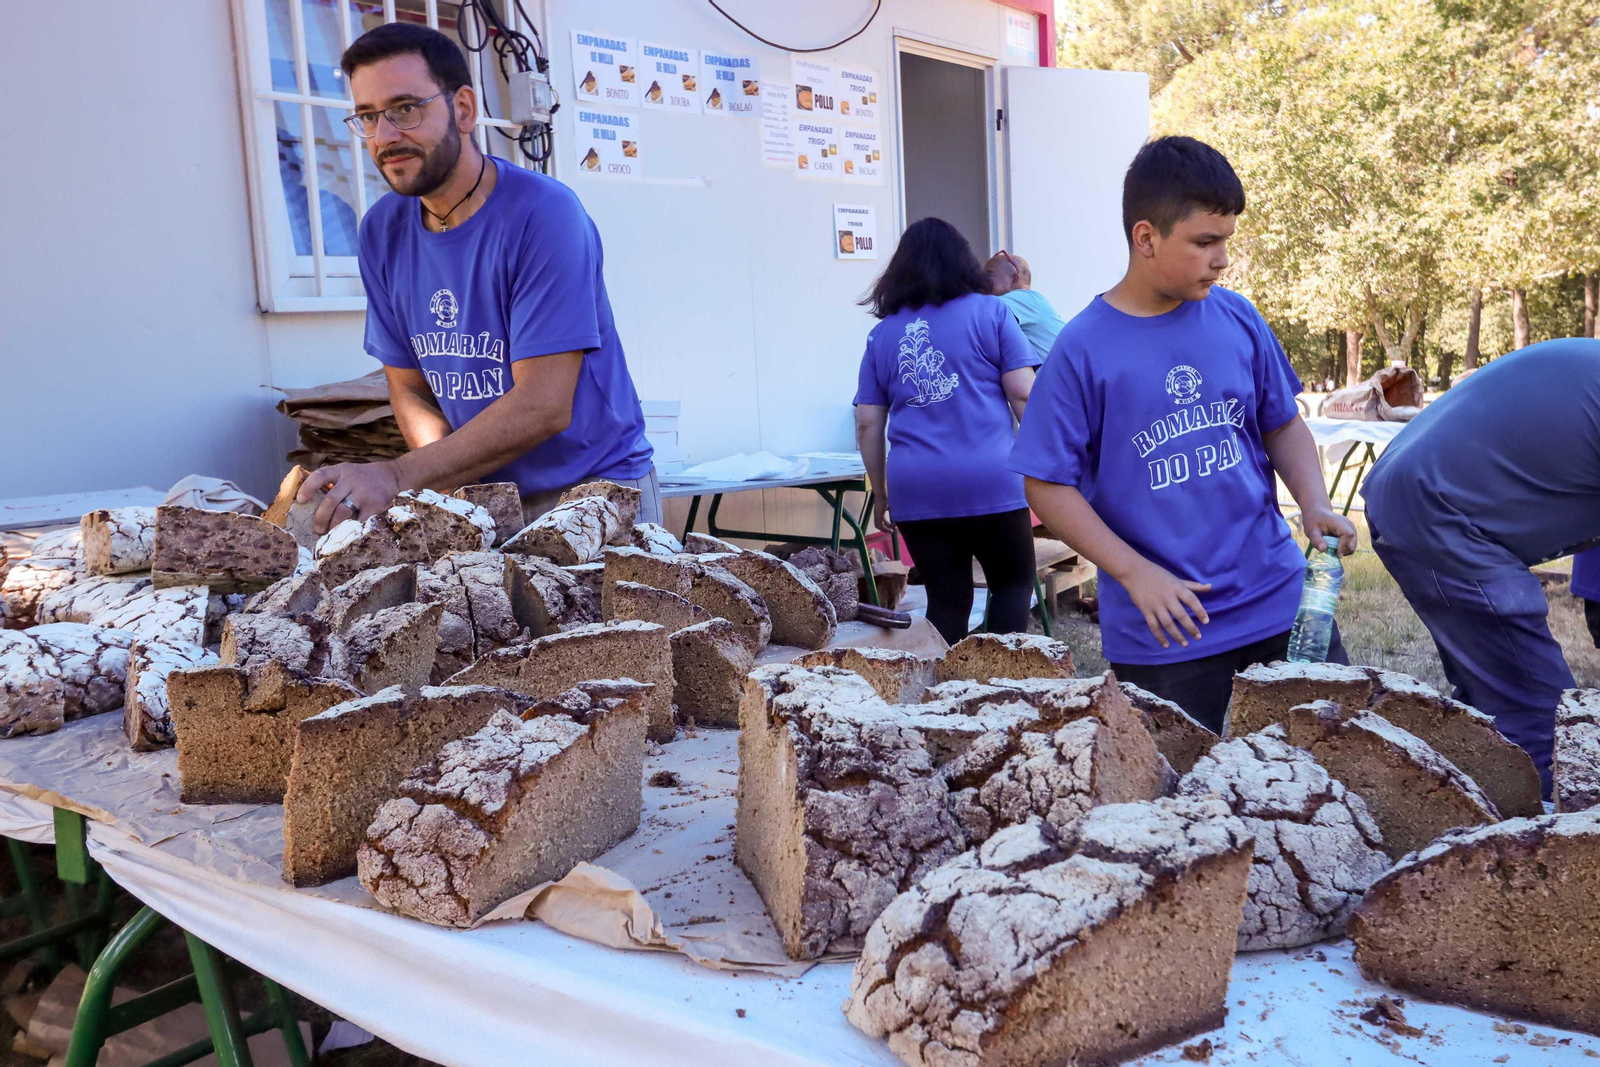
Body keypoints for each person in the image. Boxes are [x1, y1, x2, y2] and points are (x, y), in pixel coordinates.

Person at [1009, 136, 1356, 733]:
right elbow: (1046, 485)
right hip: (1167, 627)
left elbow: (1281, 422)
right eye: (1205, 242)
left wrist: (1315, 502)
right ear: (1146, 237)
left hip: (1277, 602)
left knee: (1329, 755)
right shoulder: (1083, 348)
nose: (1222, 260)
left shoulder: (1237, 317)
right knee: (1182, 786)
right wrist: (1133, 573)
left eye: (1226, 241)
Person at [297, 23, 655, 534]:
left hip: (593, 494)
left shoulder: (543, 214)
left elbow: (543, 405)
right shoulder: (381, 231)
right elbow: (410, 388)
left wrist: (398, 475)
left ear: (463, 109)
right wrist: (449, 493)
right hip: (479, 498)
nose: (385, 136)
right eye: (369, 117)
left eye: (405, 108)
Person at [1360, 338, 1600, 794]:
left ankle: (1469, 810)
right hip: (1436, 510)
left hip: (1421, 494)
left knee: (1491, 698)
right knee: (1543, 716)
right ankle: (1544, 827)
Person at [854, 218, 1041, 645]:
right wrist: (1048, 462)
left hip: (918, 489)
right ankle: (1004, 677)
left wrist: (881, 493)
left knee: (948, 600)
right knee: (1012, 585)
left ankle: (945, 685)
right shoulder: (993, 313)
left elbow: (868, 423)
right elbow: (1024, 395)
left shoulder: (881, 335)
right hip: (992, 479)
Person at [985, 250, 1067, 360]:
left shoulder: (1025, 298)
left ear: (1014, 280)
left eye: (989, 275)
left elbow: (980, 313)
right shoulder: (1035, 302)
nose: (981, 281)